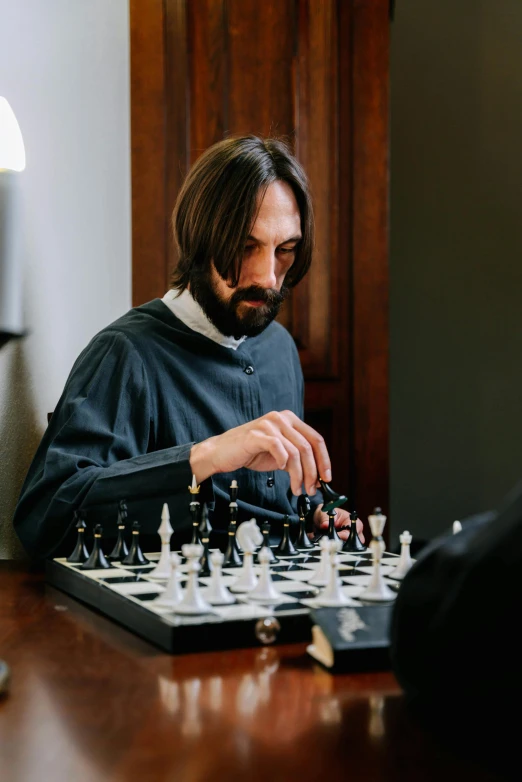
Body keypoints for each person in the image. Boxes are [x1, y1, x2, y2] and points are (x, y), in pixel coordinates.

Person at [14, 135, 363, 560]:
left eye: (284, 250)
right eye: (245, 246)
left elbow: (279, 508)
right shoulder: (126, 353)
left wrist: (315, 519)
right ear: (199, 238)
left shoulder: (281, 349)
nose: (268, 277)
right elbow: (44, 518)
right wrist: (207, 456)